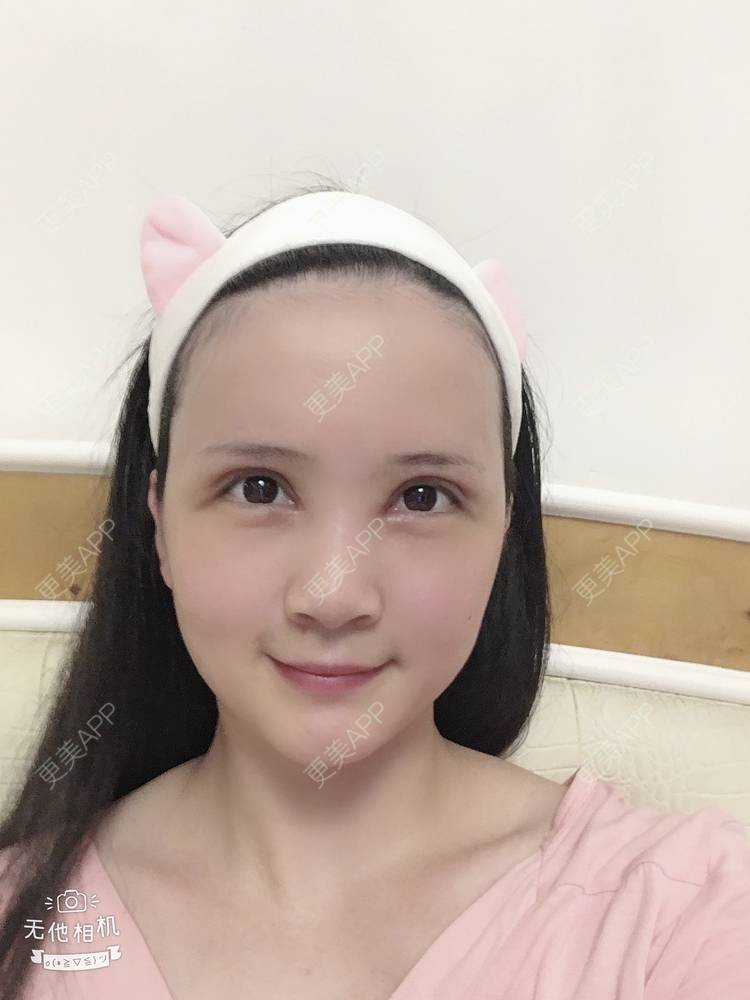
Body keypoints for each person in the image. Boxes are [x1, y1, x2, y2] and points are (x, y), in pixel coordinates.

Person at [1, 179, 748, 1000]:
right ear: (159, 527)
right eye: (258, 488)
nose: (333, 595)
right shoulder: (22, 922)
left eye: (422, 497)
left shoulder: (679, 915)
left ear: (503, 533)